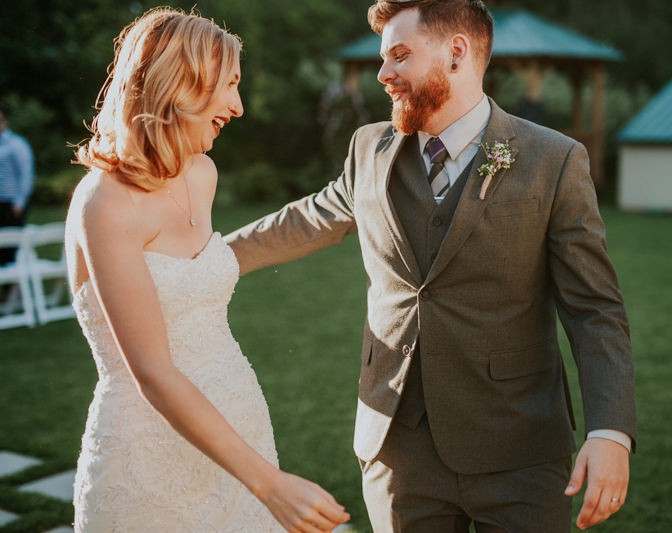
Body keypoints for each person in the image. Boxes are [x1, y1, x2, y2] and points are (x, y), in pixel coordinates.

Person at [226, 0, 636, 531]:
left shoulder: (553, 160)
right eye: (381, 57)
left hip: (519, 449)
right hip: (397, 449)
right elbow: (307, 219)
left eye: (399, 55)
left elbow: (594, 308)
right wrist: (201, 260)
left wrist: (610, 431)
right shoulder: (367, 147)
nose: (383, 74)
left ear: (457, 53)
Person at [65, 8, 349, 532]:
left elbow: (200, 280)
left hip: (240, 421)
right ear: (180, 84)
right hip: (147, 459)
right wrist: (269, 483)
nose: (239, 107)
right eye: (230, 86)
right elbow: (151, 369)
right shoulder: (104, 203)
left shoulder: (202, 174)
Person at [0, 109, 35, 265]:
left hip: (10, 204)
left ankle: (13, 288)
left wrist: (19, 202)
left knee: (10, 249)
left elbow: (26, 174)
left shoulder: (16, 144)